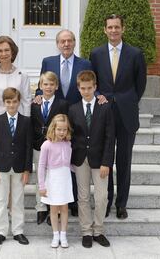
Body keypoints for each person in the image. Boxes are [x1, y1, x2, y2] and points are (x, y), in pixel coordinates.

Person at [90, 14, 147, 219]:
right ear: (105, 30)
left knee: (124, 160)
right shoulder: (96, 54)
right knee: (106, 160)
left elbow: (140, 85)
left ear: (123, 29)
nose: (113, 30)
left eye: (117, 27)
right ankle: (105, 202)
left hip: (126, 115)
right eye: (110, 27)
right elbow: (93, 83)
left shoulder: (135, 54)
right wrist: (99, 97)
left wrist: (128, 101)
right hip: (104, 114)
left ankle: (121, 204)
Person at [34, 29, 95, 220]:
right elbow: (42, 84)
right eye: (62, 41)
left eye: (69, 41)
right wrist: (38, 96)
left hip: (76, 119)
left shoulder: (85, 63)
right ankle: (48, 203)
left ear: (74, 43)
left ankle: (74, 202)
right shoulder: (48, 61)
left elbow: (90, 85)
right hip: (55, 119)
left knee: (73, 160)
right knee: (52, 165)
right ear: (57, 44)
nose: (66, 44)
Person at [68, 70, 115, 248]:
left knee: (102, 196)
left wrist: (107, 162)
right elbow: (71, 136)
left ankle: (99, 230)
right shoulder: (73, 109)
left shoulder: (105, 107)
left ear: (95, 87)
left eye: (90, 88)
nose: (86, 91)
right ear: (78, 88)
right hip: (80, 159)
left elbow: (110, 137)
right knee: (83, 196)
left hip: (100, 160)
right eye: (83, 88)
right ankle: (86, 231)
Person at [0, 87, 33, 246]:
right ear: (4, 102)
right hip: (1, 167)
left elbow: (28, 147)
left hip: (20, 168)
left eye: (14, 101)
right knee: (1, 200)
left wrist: (27, 170)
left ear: (19, 102)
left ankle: (18, 231)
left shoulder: (26, 121)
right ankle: (1, 231)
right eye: (8, 102)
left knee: (17, 200)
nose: (11, 105)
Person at [31, 72, 69, 225]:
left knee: (54, 177)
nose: (48, 87)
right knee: (39, 177)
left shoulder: (62, 104)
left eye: (51, 84)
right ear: (40, 86)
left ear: (56, 86)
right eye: (45, 84)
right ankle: (41, 208)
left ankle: (55, 208)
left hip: (55, 146)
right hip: (38, 145)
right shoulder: (34, 104)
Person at [0, 36, 31, 145]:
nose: (4, 54)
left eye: (7, 50)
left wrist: (26, 125)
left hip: (18, 122)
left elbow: (26, 102)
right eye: (0, 51)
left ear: (12, 52)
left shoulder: (23, 75)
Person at [37, 114, 73, 248]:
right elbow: (41, 166)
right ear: (53, 128)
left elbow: (69, 164)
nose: (62, 132)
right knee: (53, 209)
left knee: (64, 208)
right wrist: (41, 185)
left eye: (64, 130)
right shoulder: (47, 145)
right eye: (59, 129)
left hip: (65, 179)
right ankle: (55, 235)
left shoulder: (68, 144)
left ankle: (63, 235)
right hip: (52, 179)